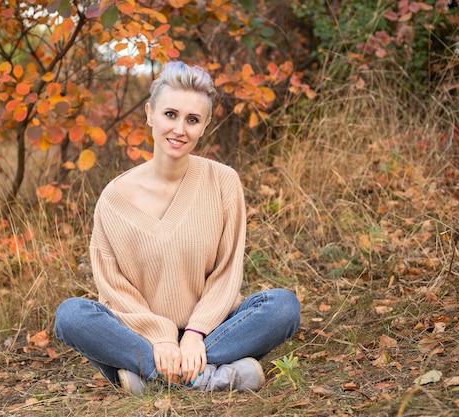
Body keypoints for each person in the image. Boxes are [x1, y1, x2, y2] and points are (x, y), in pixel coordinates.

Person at [54, 61, 300, 395]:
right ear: (150, 113)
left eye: (192, 120)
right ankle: (213, 377)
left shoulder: (223, 182)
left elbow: (226, 274)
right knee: (71, 316)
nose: (179, 129)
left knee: (283, 306)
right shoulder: (114, 198)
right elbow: (113, 289)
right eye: (170, 114)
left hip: (215, 330)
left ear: (205, 124)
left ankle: (149, 377)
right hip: (141, 334)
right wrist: (162, 338)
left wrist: (195, 335)